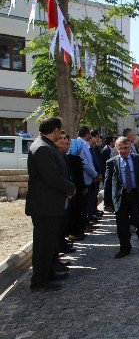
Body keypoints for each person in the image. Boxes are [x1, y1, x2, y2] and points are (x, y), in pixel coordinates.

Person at [25, 117, 76, 292]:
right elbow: (52, 177)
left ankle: (49, 272)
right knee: (43, 244)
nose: (61, 134)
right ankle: (39, 281)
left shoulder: (45, 145)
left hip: (50, 204)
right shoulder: (41, 148)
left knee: (50, 242)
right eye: (59, 130)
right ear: (55, 130)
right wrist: (70, 187)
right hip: (44, 206)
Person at [104, 136, 139, 258]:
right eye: (121, 148)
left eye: (126, 148)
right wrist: (108, 203)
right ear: (116, 148)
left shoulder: (138, 159)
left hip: (135, 194)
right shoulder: (111, 162)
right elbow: (108, 183)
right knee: (122, 224)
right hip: (120, 196)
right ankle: (125, 247)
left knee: (138, 219)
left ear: (130, 147)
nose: (123, 150)